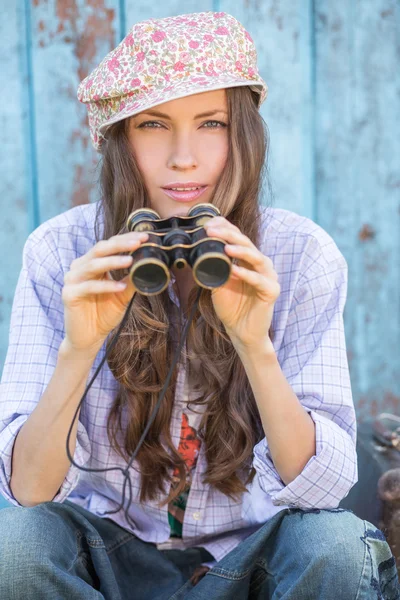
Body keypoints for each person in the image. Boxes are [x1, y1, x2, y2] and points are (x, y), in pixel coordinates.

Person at [0, 10, 398, 600]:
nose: (183, 158)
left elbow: (321, 492)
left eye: (210, 123)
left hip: (249, 558)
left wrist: (255, 346)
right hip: (108, 558)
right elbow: (29, 492)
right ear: (119, 140)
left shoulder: (300, 253)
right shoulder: (62, 251)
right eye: (154, 125)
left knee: (336, 548)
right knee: (16, 548)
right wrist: (78, 349)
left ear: (244, 136)